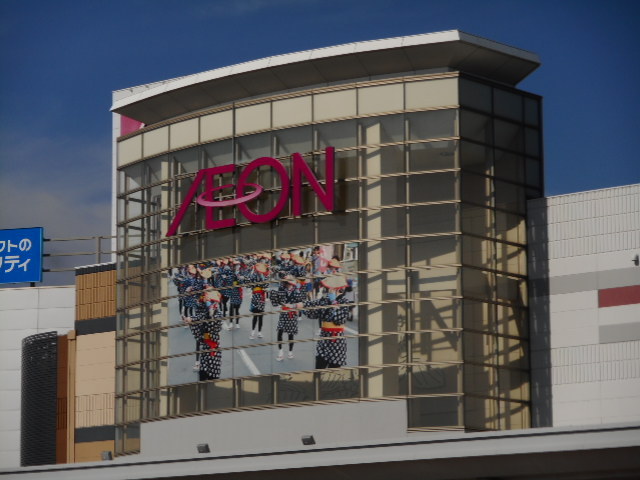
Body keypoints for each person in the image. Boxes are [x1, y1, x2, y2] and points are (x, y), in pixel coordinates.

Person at [304, 274, 352, 369]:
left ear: (337, 288)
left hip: (337, 341)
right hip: (324, 338)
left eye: (330, 287)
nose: (328, 289)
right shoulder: (324, 300)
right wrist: (299, 307)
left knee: (333, 373)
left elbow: (339, 319)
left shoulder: (344, 301)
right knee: (319, 368)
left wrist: (333, 301)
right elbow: (313, 311)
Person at [187, 285, 223, 381]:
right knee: (202, 374)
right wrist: (190, 319)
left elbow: (214, 327)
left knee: (212, 376)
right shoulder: (205, 312)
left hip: (213, 349)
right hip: (205, 347)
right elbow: (200, 317)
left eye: (210, 302)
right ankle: (197, 363)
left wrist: (211, 313)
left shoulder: (218, 315)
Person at [270, 275, 305, 360]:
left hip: (292, 315)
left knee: (291, 334)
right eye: (285, 283)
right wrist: (272, 295)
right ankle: (280, 352)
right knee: (279, 331)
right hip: (283, 314)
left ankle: (290, 352)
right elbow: (275, 300)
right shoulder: (282, 291)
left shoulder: (297, 292)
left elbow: (301, 303)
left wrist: (295, 307)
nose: (286, 285)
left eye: (287, 283)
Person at [246, 261, 270, 339]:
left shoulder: (264, 276)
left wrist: (266, 278)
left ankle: (259, 332)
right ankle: (252, 332)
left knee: (261, 316)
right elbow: (249, 283)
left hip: (262, 296)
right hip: (256, 296)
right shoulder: (254, 275)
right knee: (255, 315)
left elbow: (266, 285)